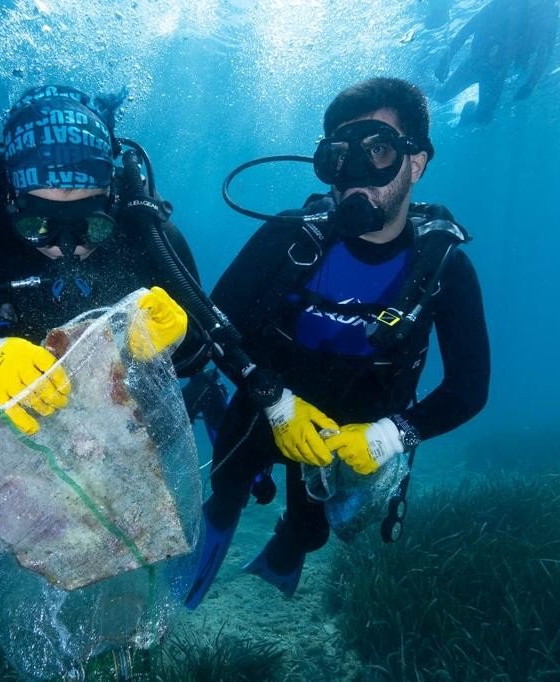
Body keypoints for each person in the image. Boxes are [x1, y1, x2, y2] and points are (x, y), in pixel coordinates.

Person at [184, 77, 490, 607]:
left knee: (313, 532)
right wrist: (275, 401)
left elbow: (468, 388)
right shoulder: (288, 239)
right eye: (339, 157)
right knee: (226, 490)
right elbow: (213, 327)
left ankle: (285, 550)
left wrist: (393, 436)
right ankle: (211, 538)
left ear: (416, 163)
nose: (354, 177)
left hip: (360, 428)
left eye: (378, 150)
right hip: (267, 403)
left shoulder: (444, 268)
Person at [0, 84, 205, 431]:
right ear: (11, 199)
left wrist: (174, 339)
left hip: (128, 425)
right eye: (38, 224)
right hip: (22, 434)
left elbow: (205, 345)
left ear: (112, 200)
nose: (66, 246)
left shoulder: (145, 230)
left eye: (90, 225)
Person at [433, 0, 558, 126]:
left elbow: (546, 50)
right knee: (441, 97)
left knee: (484, 118)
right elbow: (468, 29)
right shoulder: (502, 4)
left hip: (497, 71)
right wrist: (445, 60)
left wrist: (532, 83)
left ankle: (468, 111)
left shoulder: (549, 14)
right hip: (476, 63)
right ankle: (415, 88)